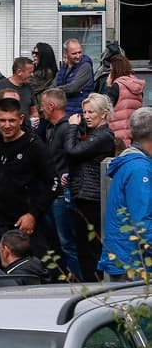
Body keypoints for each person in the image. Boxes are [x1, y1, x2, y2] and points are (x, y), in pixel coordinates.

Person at [0, 97, 56, 265]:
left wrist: (33, 214)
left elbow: (54, 183)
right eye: (2, 120)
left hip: (25, 225)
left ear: (21, 119)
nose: (7, 125)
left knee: (29, 271)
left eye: (12, 120)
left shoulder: (34, 146)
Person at [63, 93, 116, 280]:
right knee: (83, 247)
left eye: (91, 112)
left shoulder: (104, 136)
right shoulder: (93, 134)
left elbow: (73, 151)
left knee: (91, 249)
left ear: (103, 114)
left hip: (92, 198)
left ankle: (96, 283)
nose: (86, 116)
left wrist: (72, 127)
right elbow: (83, 162)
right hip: (82, 195)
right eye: (84, 112)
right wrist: (71, 177)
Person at [101, 108, 152, 281]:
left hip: (127, 258)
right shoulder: (139, 169)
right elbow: (142, 221)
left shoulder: (133, 164)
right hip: (133, 263)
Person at [41, 88, 82, 280]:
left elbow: (74, 156)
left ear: (51, 106)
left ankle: (80, 281)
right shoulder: (53, 128)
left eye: (42, 105)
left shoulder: (66, 129)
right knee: (59, 241)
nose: (41, 109)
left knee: (67, 242)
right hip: (53, 193)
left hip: (62, 194)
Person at [105, 55, 145, 146]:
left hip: (118, 137)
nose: (109, 74)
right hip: (133, 136)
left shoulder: (116, 86)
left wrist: (108, 86)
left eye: (111, 70)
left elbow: (105, 109)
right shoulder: (137, 86)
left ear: (115, 71)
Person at [56, 38, 95, 115]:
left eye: (80, 52)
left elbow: (72, 88)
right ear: (66, 54)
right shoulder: (64, 67)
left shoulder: (85, 66)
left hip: (78, 112)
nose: (78, 56)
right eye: (74, 53)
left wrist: (55, 90)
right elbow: (55, 83)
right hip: (65, 111)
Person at [0, 56, 39, 124]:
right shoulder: (1, 87)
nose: (32, 75)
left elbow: (33, 111)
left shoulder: (29, 87)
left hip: (26, 129)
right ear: (19, 72)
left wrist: (35, 119)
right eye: (30, 72)